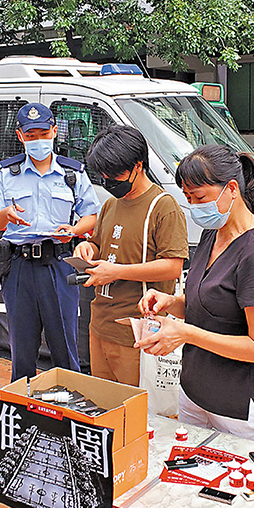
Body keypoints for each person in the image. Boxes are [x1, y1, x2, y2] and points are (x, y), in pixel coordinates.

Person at [137, 144, 254, 442]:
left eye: (200, 197)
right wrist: (172, 303)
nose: (194, 206)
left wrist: (185, 333)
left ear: (232, 188)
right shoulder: (212, 235)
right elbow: (210, 306)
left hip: (239, 408)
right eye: (188, 198)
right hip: (194, 393)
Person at [0, 102, 100, 381]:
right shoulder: (5, 173)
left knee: (64, 344)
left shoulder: (73, 173)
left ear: (55, 132)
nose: (38, 140)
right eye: (31, 135)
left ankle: (70, 407)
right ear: (20, 136)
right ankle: (21, 410)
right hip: (18, 267)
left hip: (59, 265)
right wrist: (5, 214)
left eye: (43, 133)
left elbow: (91, 216)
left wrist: (72, 231)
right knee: (22, 348)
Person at [73, 126, 188, 386]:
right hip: (100, 325)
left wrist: (116, 272)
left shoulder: (163, 206)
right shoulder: (110, 205)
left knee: (137, 413)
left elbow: (172, 267)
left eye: (114, 173)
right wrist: (87, 250)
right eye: (102, 174)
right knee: (104, 404)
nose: (108, 180)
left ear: (138, 166)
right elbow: (98, 246)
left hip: (137, 331)